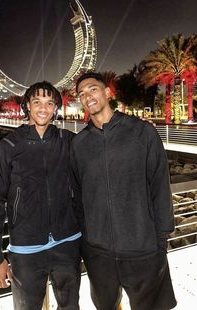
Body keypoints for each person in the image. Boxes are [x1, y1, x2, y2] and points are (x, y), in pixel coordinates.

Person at [70, 72, 177, 310]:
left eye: (93, 89)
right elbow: (77, 197)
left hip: (143, 247)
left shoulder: (142, 132)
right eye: (82, 94)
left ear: (108, 92)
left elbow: (160, 186)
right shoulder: (78, 145)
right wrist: (87, 243)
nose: (87, 96)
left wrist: (161, 240)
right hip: (99, 253)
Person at [0, 81, 81, 310]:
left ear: (56, 107)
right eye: (37, 101)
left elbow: (101, 150)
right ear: (27, 105)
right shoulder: (8, 146)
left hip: (68, 243)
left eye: (49, 102)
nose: (43, 108)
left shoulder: (68, 141)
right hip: (25, 250)